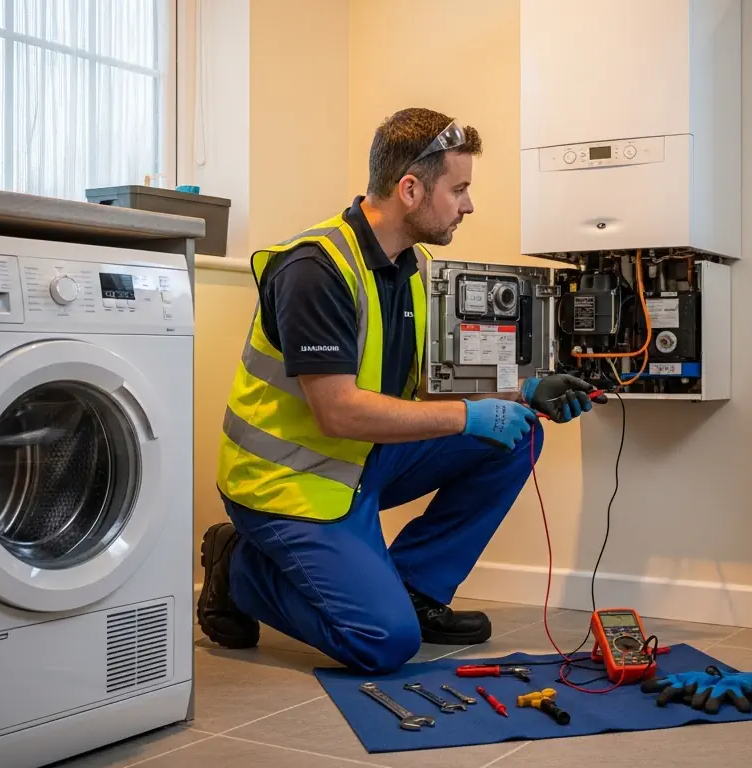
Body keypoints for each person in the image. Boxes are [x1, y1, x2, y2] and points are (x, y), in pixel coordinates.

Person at [197, 107, 604, 674]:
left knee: (515, 437)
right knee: (383, 643)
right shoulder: (315, 269)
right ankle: (237, 566)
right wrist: (468, 418)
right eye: (458, 189)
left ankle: (414, 587)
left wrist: (524, 391)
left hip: (360, 465)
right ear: (410, 188)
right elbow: (338, 412)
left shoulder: (410, 268)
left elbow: (426, 386)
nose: (468, 204)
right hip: (288, 484)